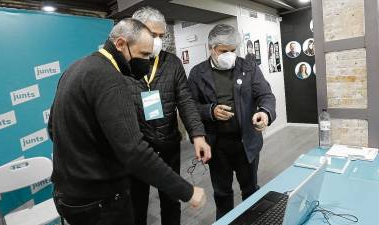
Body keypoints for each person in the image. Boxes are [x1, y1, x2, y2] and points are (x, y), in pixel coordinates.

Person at [47, 18, 206, 225]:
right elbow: (133, 151)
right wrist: (187, 191)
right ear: (121, 44)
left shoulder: (75, 69)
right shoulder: (110, 79)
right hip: (101, 201)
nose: (146, 64)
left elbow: (52, 129)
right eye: (143, 55)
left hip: (69, 197)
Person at [126, 7, 211, 225]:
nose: (157, 41)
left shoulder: (171, 62)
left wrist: (198, 135)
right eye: (152, 35)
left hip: (168, 144)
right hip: (137, 149)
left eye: (161, 36)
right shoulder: (123, 65)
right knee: (136, 204)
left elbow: (185, 101)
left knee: (171, 199)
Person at [188, 24, 276, 220]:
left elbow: (266, 95)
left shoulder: (248, 67)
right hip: (217, 146)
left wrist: (265, 112)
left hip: (246, 142)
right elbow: (190, 106)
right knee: (222, 193)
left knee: (251, 189)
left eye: (233, 50)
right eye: (223, 51)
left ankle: (253, 220)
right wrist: (210, 111)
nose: (229, 55)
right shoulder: (197, 73)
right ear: (211, 49)